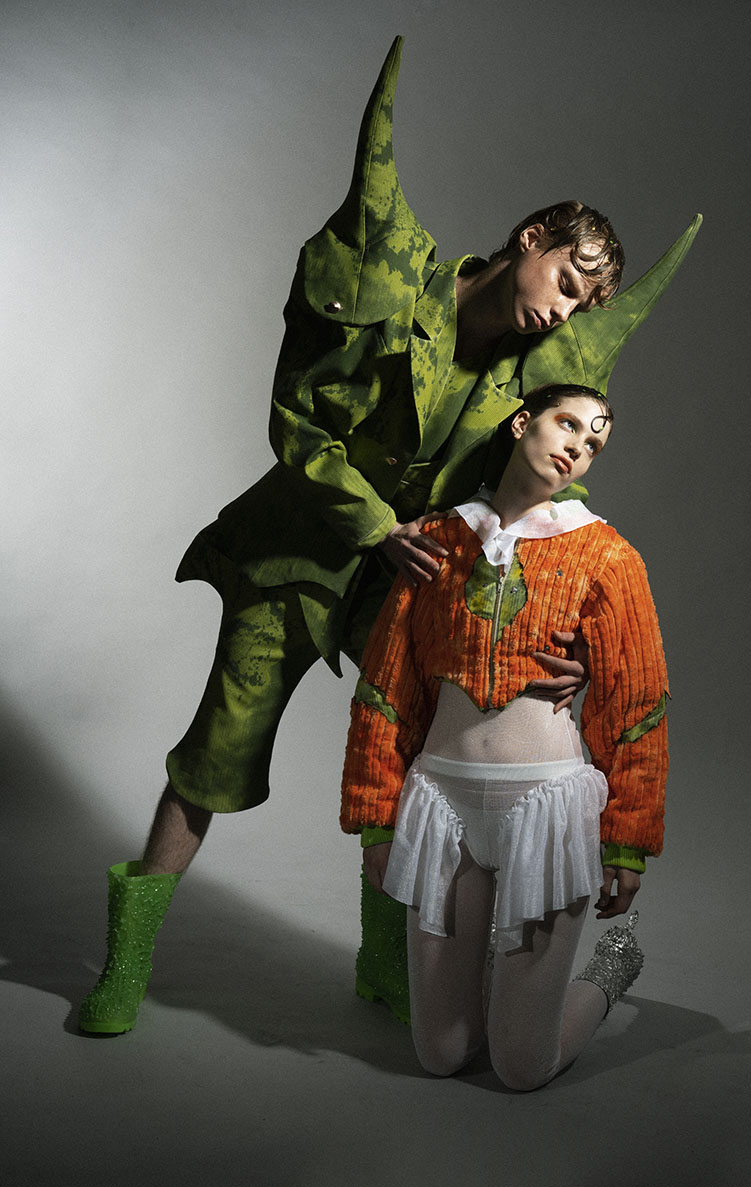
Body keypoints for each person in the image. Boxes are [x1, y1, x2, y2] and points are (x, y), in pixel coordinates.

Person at [79, 36, 698, 1035]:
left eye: (584, 305)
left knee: (408, 766)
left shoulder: (530, 386)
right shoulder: (388, 287)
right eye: (565, 280)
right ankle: (126, 964)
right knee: (216, 756)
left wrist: (568, 644)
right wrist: (373, 524)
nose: (564, 311)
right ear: (531, 237)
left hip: (406, 587)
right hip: (297, 556)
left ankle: (384, 958)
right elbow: (295, 420)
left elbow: (536, 506)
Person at [340, 383, 668, 1089]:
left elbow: (635, 703)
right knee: (441, 1054)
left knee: (522, 1067)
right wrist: (375, 820)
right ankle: (503, 990)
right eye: (567, 424)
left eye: (594, 442)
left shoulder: (607, 556)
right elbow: (387, 687)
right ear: (522, 423)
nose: (578, 445)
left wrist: (627, 841)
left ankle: (610, 971)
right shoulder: (435, 540)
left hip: (546, 808)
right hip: (441, 807)